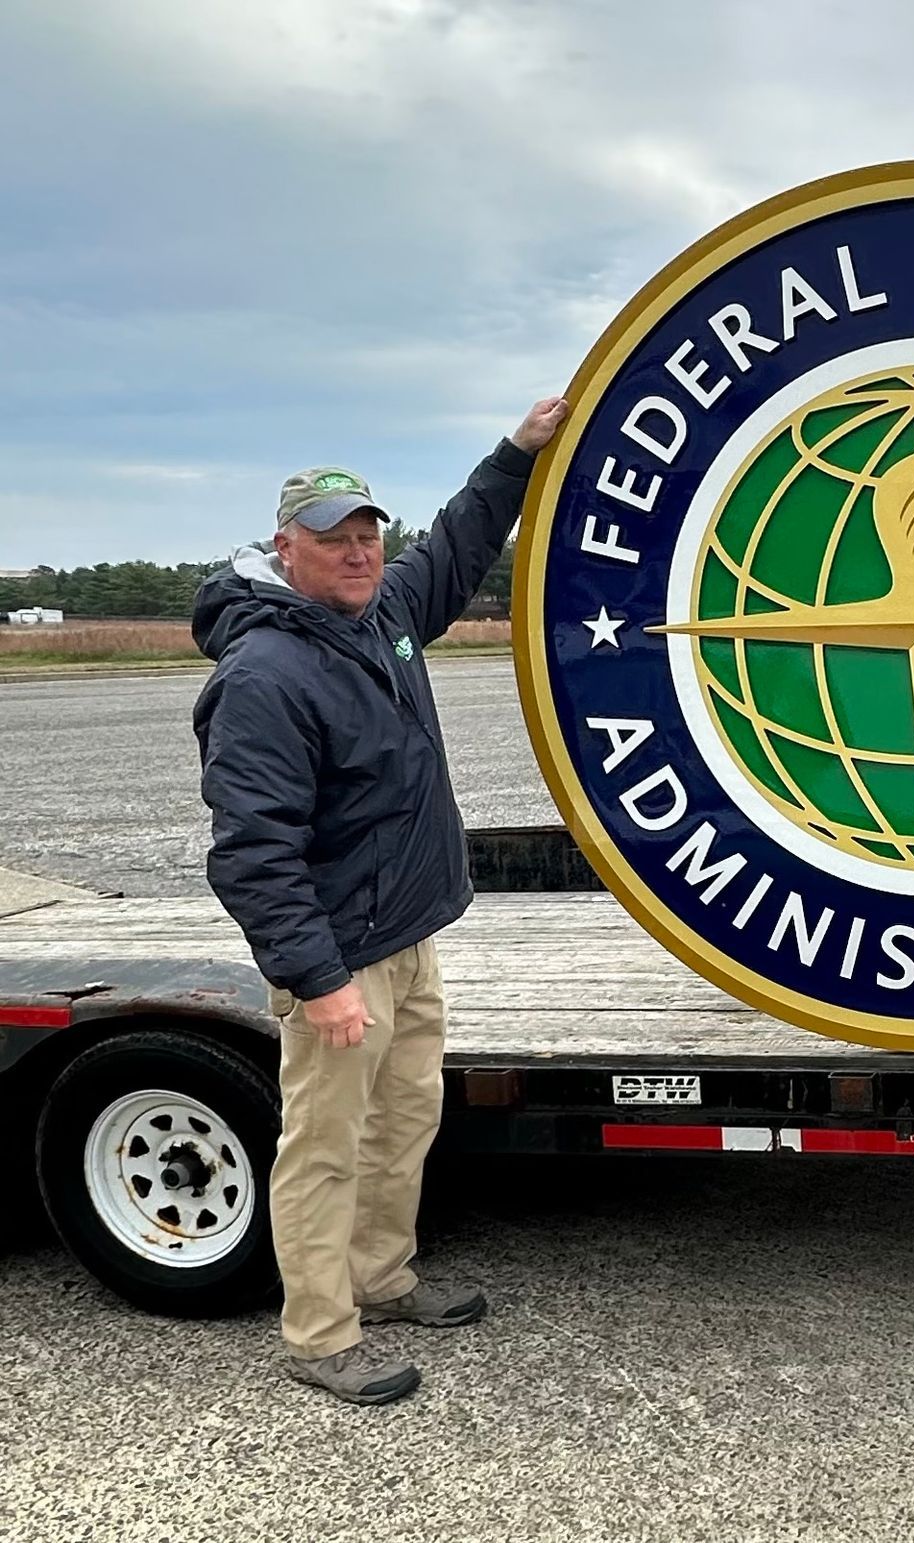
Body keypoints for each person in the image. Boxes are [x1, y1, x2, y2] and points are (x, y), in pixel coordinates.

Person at [193, 397, 569, 1405]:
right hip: (340, 955)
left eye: (367, 534)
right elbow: (253, 853)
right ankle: (320, 1331)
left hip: (408, 933)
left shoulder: (384, 615)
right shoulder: (266, 672)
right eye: (334, 539)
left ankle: (382, 1276)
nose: (358, 553)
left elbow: (457, 544)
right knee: (323, 1145)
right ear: (285, 548)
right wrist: (318, 982)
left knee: (404, 1117)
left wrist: (514, 455)